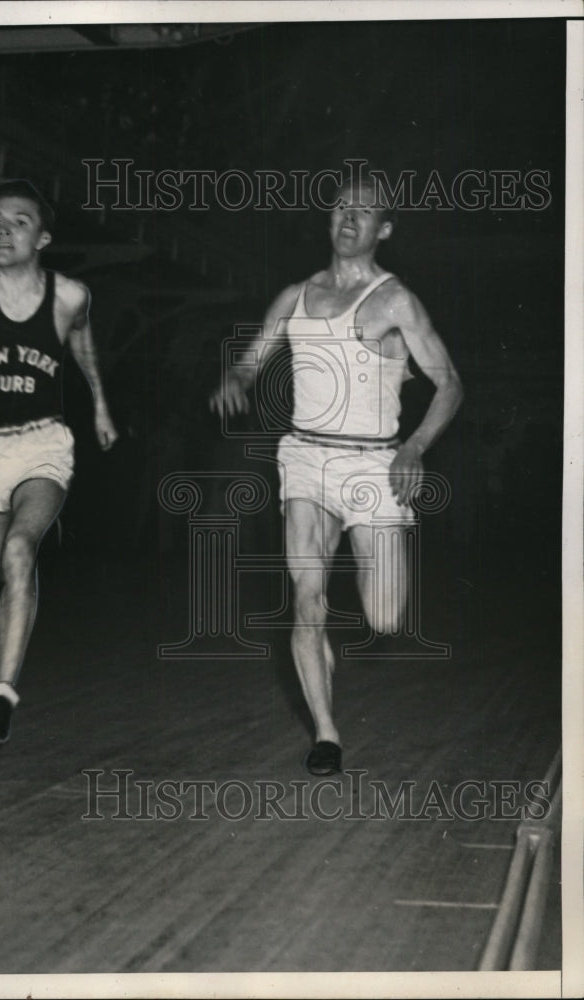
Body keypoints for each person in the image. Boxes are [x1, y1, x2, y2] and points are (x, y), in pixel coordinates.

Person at [210, 173, 463, 776]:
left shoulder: (395, 300)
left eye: (365, 210)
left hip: (375, 462)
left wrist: (416, 447)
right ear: (328, 219)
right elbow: (249, 363)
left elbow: (450, 384)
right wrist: (236, 381)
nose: (350, 217)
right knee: (307, 602)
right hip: (305, 457)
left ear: (384, 229)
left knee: (385, 618)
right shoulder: (293, 296)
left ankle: (374, 578)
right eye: (341, 207)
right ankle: (326, 734)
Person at [0, 179, 118, 747]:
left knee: (18, 550)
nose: (3, 231)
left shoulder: (70, 296)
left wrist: (101, 406)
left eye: (19, 223)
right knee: (11, 575)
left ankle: (1, 698)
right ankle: (20, 611)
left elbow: (82, 345)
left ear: (44, 238)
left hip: (43, 444)